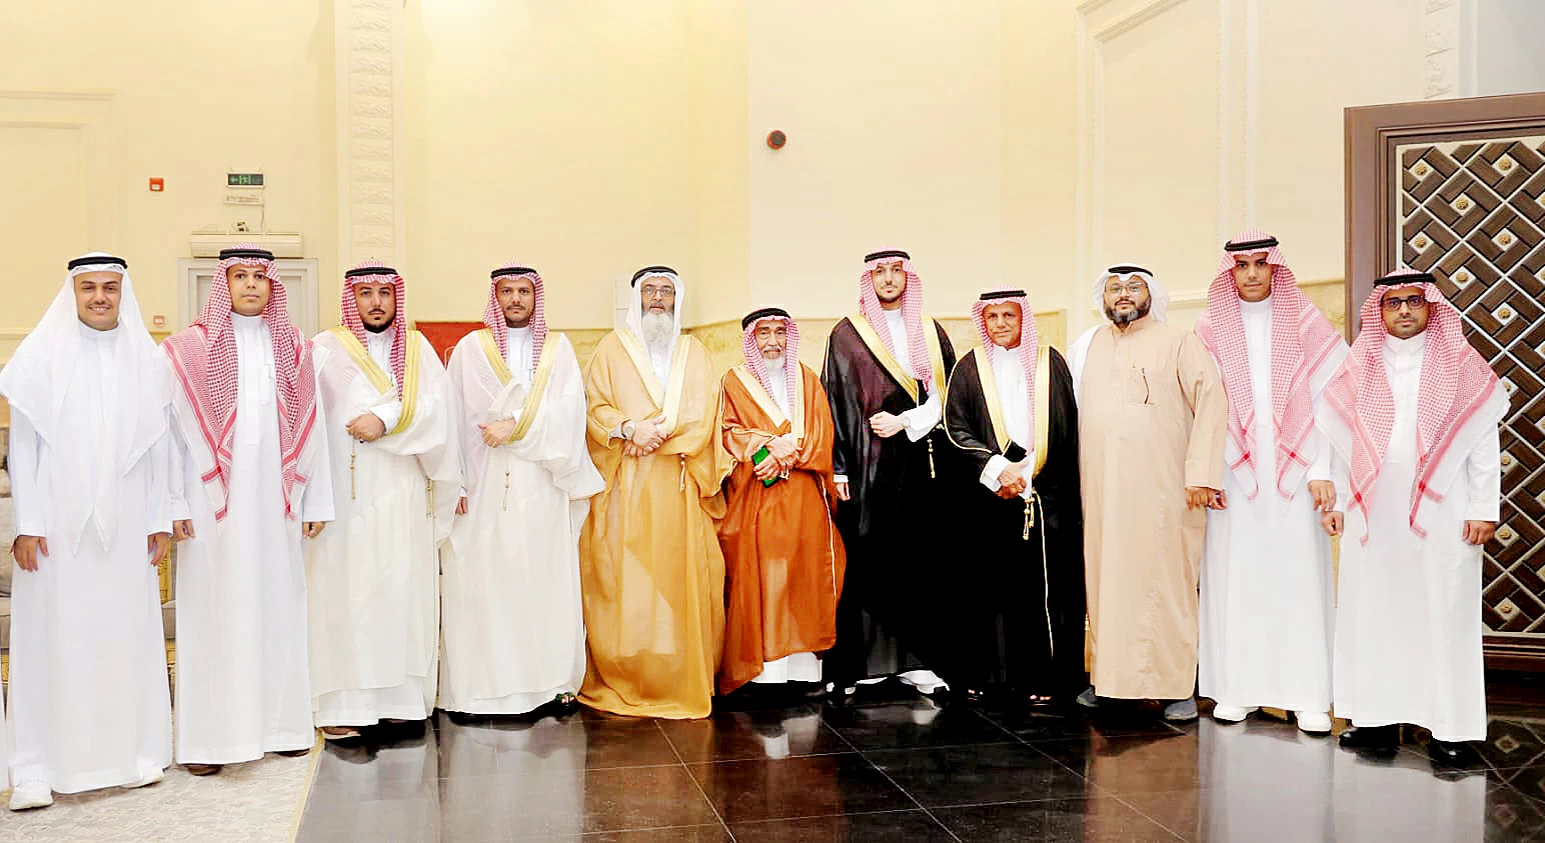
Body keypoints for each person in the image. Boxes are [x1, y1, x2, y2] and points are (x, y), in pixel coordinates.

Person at [1, 253, 172, 809]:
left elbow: (159, 449)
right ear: (72, 293)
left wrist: (159, 519)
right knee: (52, 639)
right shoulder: (38, 358)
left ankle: (131, 756)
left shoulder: (147, 360)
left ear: (124, 293)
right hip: (55, 529)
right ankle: (37, 767)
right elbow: (22, 448)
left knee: (123, 637)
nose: (100, 297)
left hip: (127, 528)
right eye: (89, 288)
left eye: (110, 288)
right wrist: (28, 523)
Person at [161, 245, 334, 775]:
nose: (252, 285)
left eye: (260, 276)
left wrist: (316, 500)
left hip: (278, 506)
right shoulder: (187, 350)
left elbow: (315, 431)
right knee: (214, 610)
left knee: (278, 603)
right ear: (224, 284)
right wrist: (173, 502)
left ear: (273, 285)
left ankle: (280, 728)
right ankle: (210, 742)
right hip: (210, 506)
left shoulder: (297, 350)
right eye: (240, 276)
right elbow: (170, 436)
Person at [1323, 268, 1507, 765]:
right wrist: (1337, 501)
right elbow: (1339, 442)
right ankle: (1375, 720)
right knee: (1374, 609)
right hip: (1373, 508)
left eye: (1413, 300)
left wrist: (1484, 507)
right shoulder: (1359, 365)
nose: (1403, 309)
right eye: (1393, 302)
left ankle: (1450, 729)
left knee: (1443, 609)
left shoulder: (1461, 365)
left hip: (1445, 508)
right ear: (1379, 311)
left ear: (1430, 306)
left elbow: (1482, 443)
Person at [1194, 232, 1348, 734]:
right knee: (1236, 577)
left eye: (1261, 263)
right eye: (1242, 266)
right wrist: (1206, 473)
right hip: (1231, 472)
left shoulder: (1306, 322)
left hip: (1298, 472)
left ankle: (1307, 696)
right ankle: (1236, 690)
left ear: (1275, 268)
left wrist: (1322, 469)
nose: (1252, 273)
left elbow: (1333, 401)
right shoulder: (1207, 329)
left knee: (1297, 578)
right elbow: (1198, 406)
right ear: (1230, 273)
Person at [307, 263, 460, 737]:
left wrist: (386, 418)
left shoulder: (417, 351)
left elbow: (439, 411)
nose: (376, 302)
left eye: (385, 293)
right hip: (343, 497)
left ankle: (401, 702)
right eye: (366, 293)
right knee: (345, 594)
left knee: (399, 587)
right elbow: (306, 422)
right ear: (350, 299)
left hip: (402, 492)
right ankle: (342, 706)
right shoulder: (323, 348)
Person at [441, 264, 602, 715]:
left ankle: (546, 686)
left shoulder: (557, 348)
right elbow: (453, 417)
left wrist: (516, 426)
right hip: (483, 486)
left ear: (536, 297)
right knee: (484, 582)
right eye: (507, 291)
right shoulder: (470, 349)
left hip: (541, 484)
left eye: (524, 291)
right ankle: (480, 690)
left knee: (540, 579)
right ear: (495, 298)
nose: (515, 299)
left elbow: (571, 412)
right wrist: (455, 481)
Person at [1074, 263, 1227, 721]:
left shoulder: (1180, 341)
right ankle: (1110, 682)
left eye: (1134, 287)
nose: (1123, 294)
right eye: (1114, 288)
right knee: (1107, 583)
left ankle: (1176, 685)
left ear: (1151, 295)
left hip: (1164, 488)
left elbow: (1211, 402)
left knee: (1166, 582)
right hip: (1102, 489)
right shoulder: (1089, 346)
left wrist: (1201, 474)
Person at [578, 266, 726, 719]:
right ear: (636, 299)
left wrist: (659, 439)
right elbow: (594, 406)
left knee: (681, 577)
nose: (658, 299)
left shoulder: (694, 351)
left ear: (677, 299)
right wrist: (629, 429)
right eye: (650, 291)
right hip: (627, 481)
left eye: (665, 291)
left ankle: (679, 671)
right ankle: (630, 672)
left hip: (680, 483)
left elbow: (707, 413)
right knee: (628, 578)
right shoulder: (610, 349)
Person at [820, 249, 958, 701]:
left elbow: (948, 397)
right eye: (879, 272)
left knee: (918, 559)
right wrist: (839, 465)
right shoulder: (847, 334)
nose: (888, 278)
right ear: (869, 279)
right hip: (865, 465)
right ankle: (865, 665)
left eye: (896, 270)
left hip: (920, 463)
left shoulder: (930, 331)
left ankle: (920, 664)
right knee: (868, 558)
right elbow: (834, 401)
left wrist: (907, 422)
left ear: (907, 277)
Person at [942, 288, 1085, 705]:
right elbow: (956, 427)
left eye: (1009, 315)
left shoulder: (1049, 362)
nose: (1001, 323)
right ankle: (988, 678)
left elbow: (1066, 423)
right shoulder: (969, 367)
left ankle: (1048, 679)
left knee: (1045, 591)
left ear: (1023, 319)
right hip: (988, 495)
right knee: (988, 589)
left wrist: (1029, 470)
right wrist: (996, 469)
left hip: (1044, 493)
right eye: (993, 317)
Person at [716, 307, 845, 697]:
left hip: (805, 494)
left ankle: (802, 671)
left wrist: (786, 458)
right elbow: (727, 431)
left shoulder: (807, 379)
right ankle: (765, 673)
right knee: (766, 577)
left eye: (779, 332)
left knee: (805, 576)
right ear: (750, 340)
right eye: (764, 334)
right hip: (759, 495)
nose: (773, 342)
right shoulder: (734, 381)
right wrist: (766, 450)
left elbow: (822, 432)